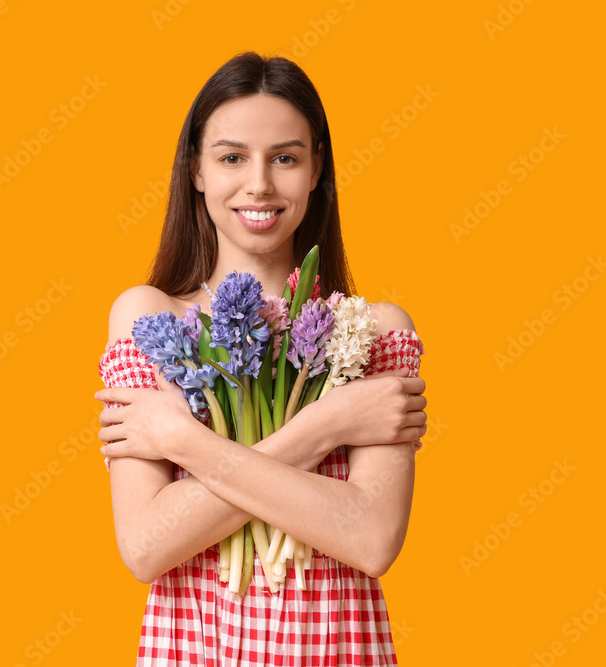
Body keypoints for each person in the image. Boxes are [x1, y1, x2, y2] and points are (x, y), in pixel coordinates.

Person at [94, 52, 428, 666]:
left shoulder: (375, 332)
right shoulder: (151, 318)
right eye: (231, 158)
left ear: (316, 167)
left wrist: (182, 441)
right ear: (195, 170)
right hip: (197, 649)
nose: (259, 185)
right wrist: (331, 423)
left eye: (285, 158)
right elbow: (146, 546)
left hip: (334, 650)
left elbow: (371, 539)